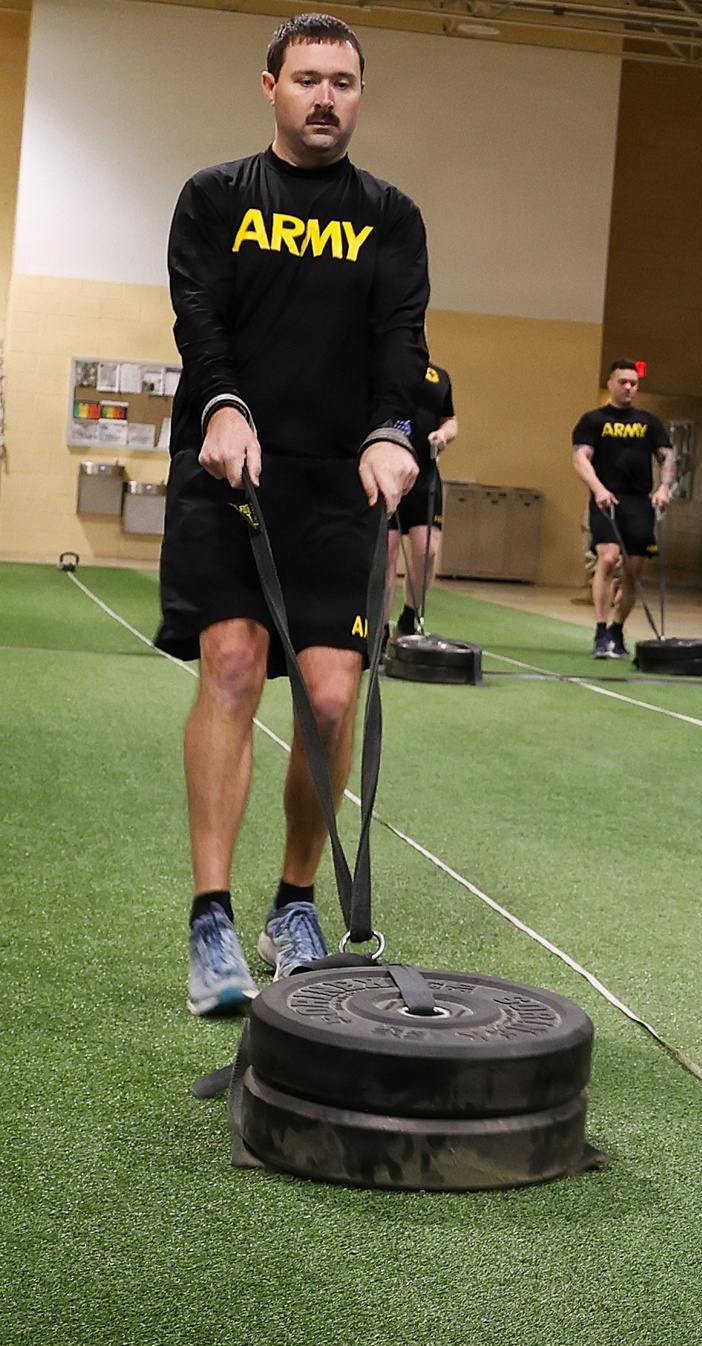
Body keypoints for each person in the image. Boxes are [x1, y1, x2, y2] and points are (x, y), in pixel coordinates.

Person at [155, 13, 430, 1015]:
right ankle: (212, 920)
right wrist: (223, 405)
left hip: (333, 489)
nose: (327, 97)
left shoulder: (390, 217)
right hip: (229, 472)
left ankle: (294, 904)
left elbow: (401, 336)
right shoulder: (215, 198)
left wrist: (392, 428)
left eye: (345, 82)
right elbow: (200, 320)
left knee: (324, 703)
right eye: (309, 78)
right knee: (230, 662)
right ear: (268, 85)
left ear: (360, 94)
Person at [571, 360, 675, 658]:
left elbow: (666, 457)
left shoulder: (649, 422)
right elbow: (581, 459)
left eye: (633, 383)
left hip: (639, 502)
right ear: (611, 383)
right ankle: (601, 631)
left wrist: (664, 487)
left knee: (634, 571)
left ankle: (618, 628)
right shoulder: (593, 420)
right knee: (608, 558)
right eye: (623, 382)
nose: (629, 387)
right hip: (607, 500)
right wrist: (599, 489)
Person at [384, 361, 457, 636]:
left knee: (428, 550)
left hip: (425, 475)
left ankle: (410, 614)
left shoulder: (439, 376)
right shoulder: (385, 365)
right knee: (386, 552)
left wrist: (444, 435)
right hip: (390, 472)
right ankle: (379, 629)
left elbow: (450, 419)